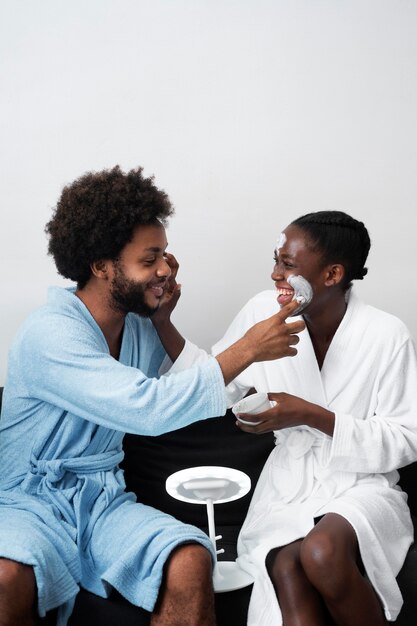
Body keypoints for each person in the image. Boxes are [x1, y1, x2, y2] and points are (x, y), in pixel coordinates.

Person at [0, 166, 305, 626]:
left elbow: (195, 389)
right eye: (150, 259)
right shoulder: (50, 333)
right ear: (101, 266)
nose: (164, 269)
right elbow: (149, 406)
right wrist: (249, 348)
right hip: (28, 502)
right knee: (7, 576)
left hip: (103, 503)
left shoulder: (140, 328)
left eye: (165, 255)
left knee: (189, 561)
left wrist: (162, 320)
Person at [209, 211, 417, 626]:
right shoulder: (263, 312)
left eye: (287, 265)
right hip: (289, 487)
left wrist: (309, 415)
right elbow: (214, 383)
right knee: (286, 568)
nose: (274, 274)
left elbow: (407, 439)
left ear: (332, 273)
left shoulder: (386, 334)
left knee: (320, 551)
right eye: (276, 261)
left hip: (363, 486)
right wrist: (164, 324)